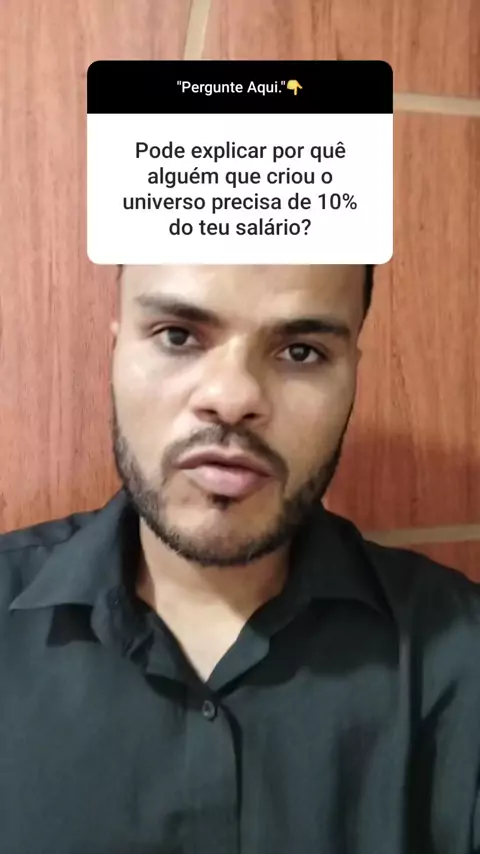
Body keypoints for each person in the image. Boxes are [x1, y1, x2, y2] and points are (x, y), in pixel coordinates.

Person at [1, 264, 480, 854]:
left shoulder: (462, 654)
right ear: (116, 350)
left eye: (301, 352)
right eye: (178, 336)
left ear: (353, 373)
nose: (232, 400)